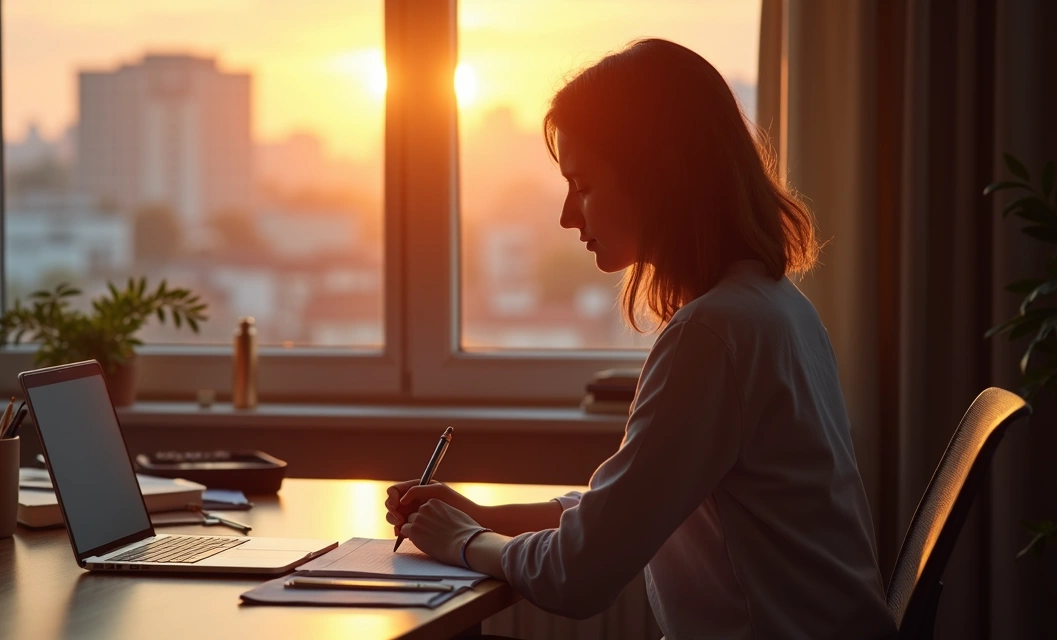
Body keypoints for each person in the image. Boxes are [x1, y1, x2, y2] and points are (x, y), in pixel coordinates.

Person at [384, 38, 896, 638]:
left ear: (660, 177)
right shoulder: (775, 307)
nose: (568, 216)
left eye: (584, 185)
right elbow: (628, 508)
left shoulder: (712, 335)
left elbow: (580, 574)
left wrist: (466, 541)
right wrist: (483, 516)